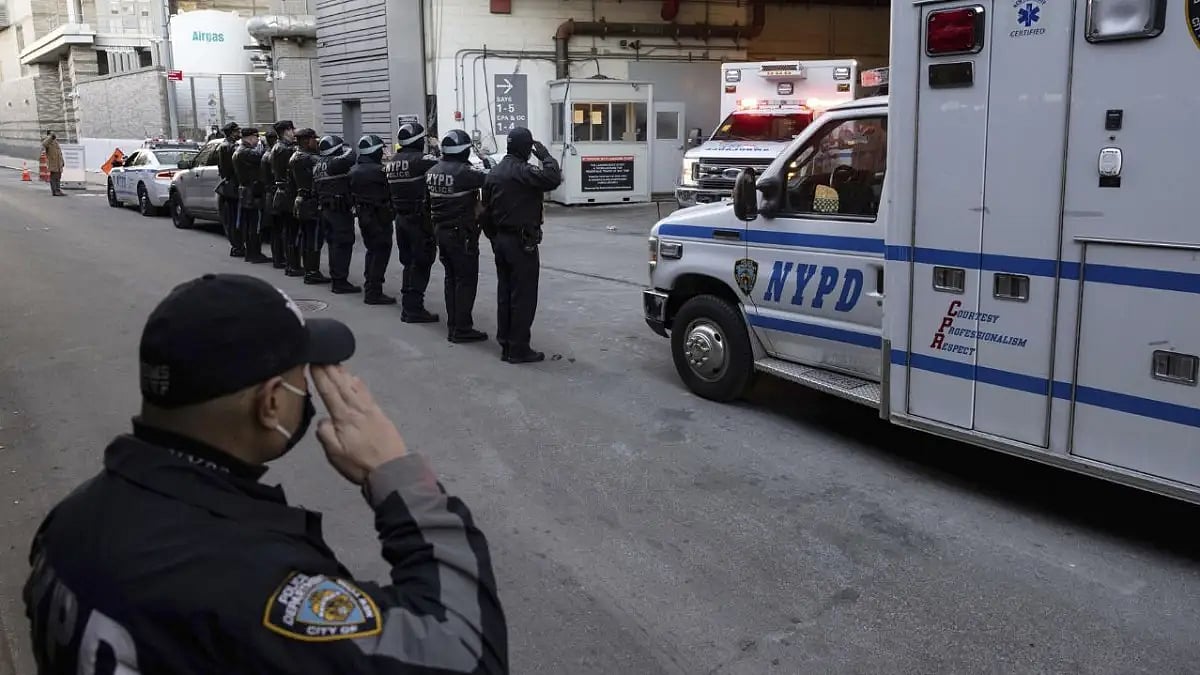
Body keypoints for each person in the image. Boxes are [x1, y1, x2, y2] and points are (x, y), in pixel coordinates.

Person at [22, 273, 508, 674]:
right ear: (271, 402)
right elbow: (464, 651)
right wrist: (395, 476)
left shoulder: (69, 523)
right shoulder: (249, 578)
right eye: (306, 376)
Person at [482, 127, 563, 363]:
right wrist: (546, 156)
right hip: (521, 242)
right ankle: (518, 348)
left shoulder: (494, 173)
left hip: (502, 241)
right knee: (523, 296)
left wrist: (494, 239)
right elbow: (553, 178)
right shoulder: (523, 172)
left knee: (505, 293)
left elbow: (484, 212)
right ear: (527, 149)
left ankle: (506, 342)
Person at [426, 129, 488, 344]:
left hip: (441, 231)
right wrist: (486, 162)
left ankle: (454, 325)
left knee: (451, 278)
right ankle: (462, 328)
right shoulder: (464, 173)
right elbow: (491, 179)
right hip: (461, 234)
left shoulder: (432, 171)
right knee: (466, 280)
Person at [384, 122, 440, 323]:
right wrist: (436, 146)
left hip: (400, 219)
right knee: (422, 262)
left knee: (408, 262)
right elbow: (443, 165)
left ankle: (408, 306)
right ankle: (414, 308)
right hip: (419, 220)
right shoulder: (420, 160)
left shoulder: (392, 161)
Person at [349, 134, 397, 306]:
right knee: (380, 253)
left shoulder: (354, 170)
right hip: (379, 217)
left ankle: (371, 286)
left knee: (372, 252)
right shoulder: (379, 171)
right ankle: (374, 292)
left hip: (364, 216)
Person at [314, 135, 362, 295]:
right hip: (338, 211)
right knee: (342, 245)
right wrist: (346, 146)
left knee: (334, 245)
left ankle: (337, 278)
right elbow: (351, 156)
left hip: (326, 210)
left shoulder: (318, 164)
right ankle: (340, 281)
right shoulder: (334, 163)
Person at [289, 128, 331, 286]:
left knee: (307, 237)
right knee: (313, 238)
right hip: (311, 202)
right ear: (306, 140)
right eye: (314, 139)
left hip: (301, 200)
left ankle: (309, 270)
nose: (317, 142)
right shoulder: (307, 158)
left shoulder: (295, 156)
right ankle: (312, 272)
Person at [268, 120, 303, 277]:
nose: (294, 131)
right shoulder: (284, 149)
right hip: (288, 194)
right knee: (291, 231)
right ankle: (293, 265)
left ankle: (291, 263)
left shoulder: (278, 147)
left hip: (283, 193)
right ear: (285, 131)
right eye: (291, 129)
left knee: (289, 231)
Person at [232, 128, 271, 264]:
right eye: (256, 137)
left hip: (247, 191)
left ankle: (252, 252)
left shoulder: (240, 150)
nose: (257, 140)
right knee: (255, 225)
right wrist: (266, 144)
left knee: (250, 225)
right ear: (249, 137)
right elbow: (261, 155)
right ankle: (254, 253)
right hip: (252, 192)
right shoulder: (244, 151)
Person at [215, 121, 243, 257]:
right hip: (232, 185)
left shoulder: (224, 146)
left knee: (231, 218)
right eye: (237, 131)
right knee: (235, 217)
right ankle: (237, 245)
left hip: (229, 184)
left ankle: (236, 245)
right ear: (231, 133)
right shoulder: (230, 147)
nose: (239, 133)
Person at [260, 128, 286, 269]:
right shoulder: (272, 156)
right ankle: (280, 258)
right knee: (280, 229)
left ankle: (278, 258)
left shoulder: (266, 155)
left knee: (276, 230)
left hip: (269, 195)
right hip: (275, 194)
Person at [42, 130, 65, 197]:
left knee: (58, 177)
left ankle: (58, 190)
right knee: (54, 177)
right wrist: (50, 137)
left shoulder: (55, 142)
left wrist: (62, 161)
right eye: (52, 133)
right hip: (53, 162)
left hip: (58, 162)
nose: (54, 134)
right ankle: (55, 191)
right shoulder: (48, 142)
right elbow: (44, 144)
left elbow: (59, 153)